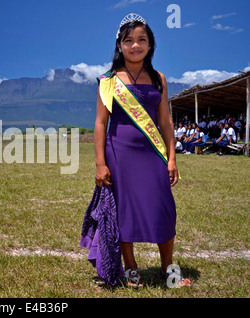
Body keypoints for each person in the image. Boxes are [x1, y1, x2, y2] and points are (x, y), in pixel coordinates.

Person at [86, 13, 191, 288]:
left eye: (141, 40)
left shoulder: (159, 78)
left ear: (150, 44)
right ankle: (131, 270)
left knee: (164, 209)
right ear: (119, 45)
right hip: (119, 154)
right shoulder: (108, 81)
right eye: (128, 40)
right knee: (125, 211)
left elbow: (166, 122)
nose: (135, 46)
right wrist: (100, 163)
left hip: (152, 154)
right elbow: (100, 123)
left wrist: (172, 158)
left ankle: (169, 270)